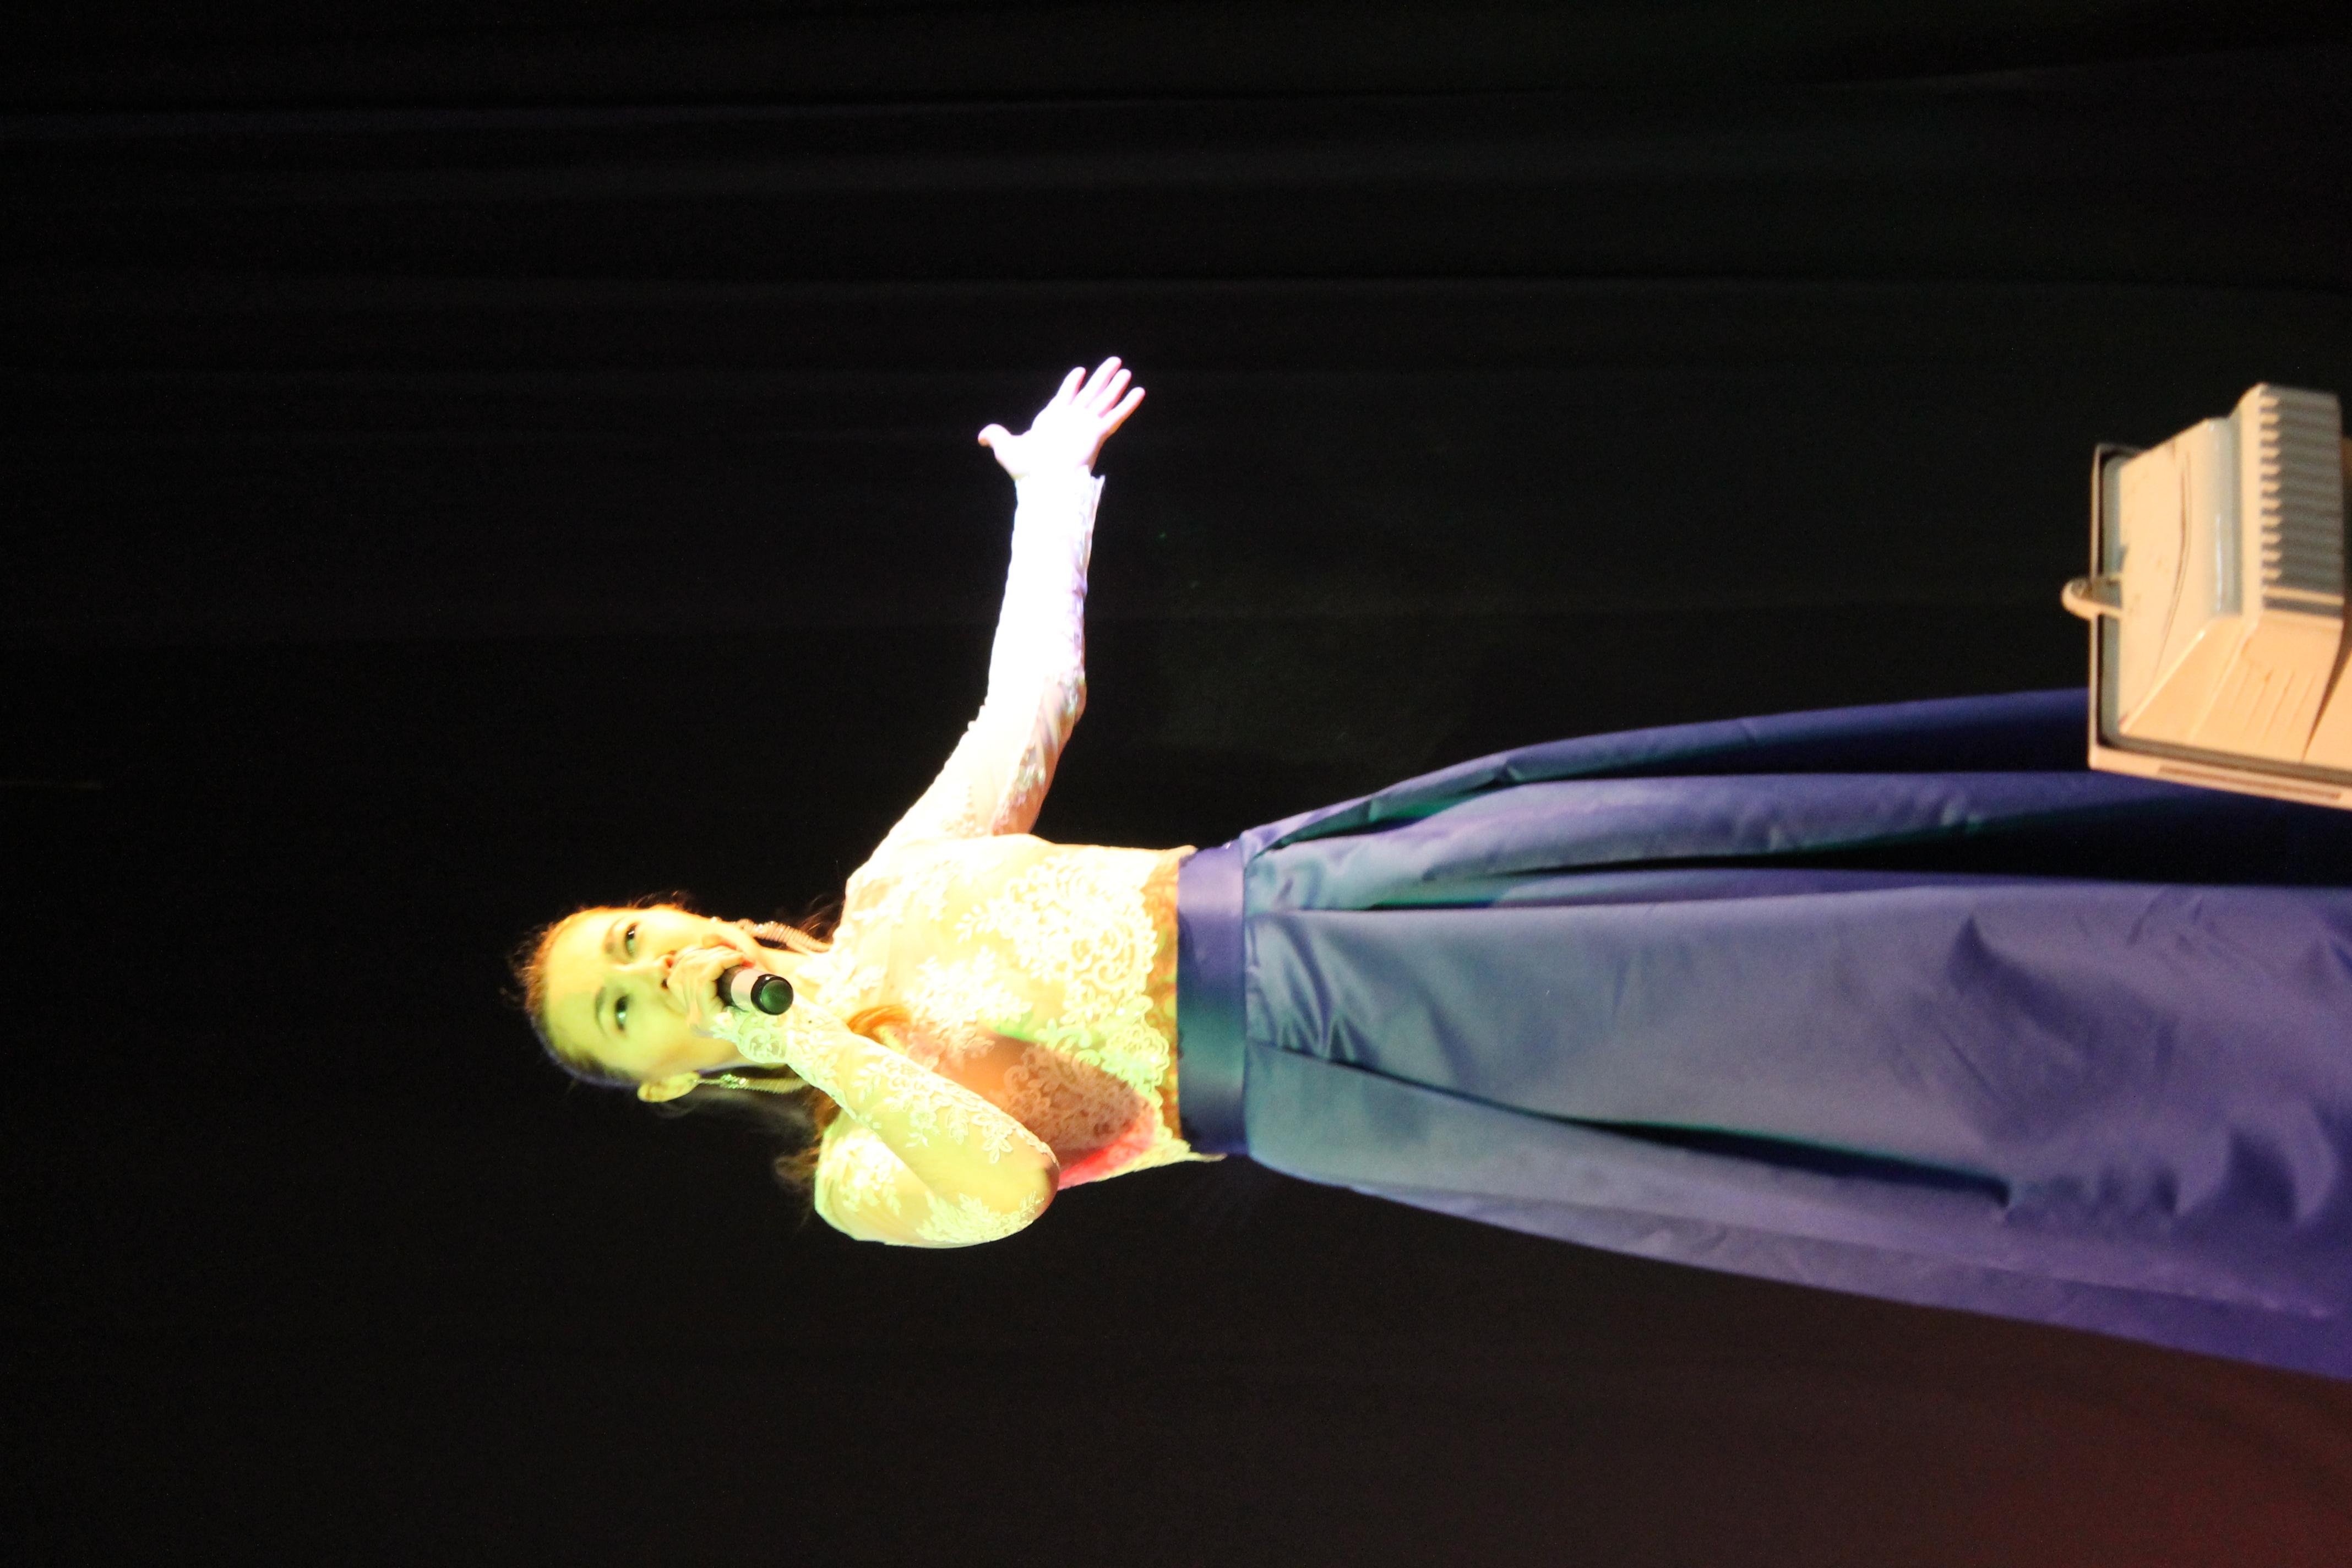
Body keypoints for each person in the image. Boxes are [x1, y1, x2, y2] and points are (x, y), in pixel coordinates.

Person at [523, 358, 2352, 1379]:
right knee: (1821, 1019)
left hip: (1339, 889)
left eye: (633, 936)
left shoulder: (898, 882)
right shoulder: (857, 1174)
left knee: (1770, 878)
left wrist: (1050, 510)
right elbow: (998, 1186)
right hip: (1347, 1068)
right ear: (664, 1075)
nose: (655, 965)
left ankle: (2239, 875)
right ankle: (2260, 1069)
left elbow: (1030, 709)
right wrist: (825, 1031)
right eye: (624, 1007)